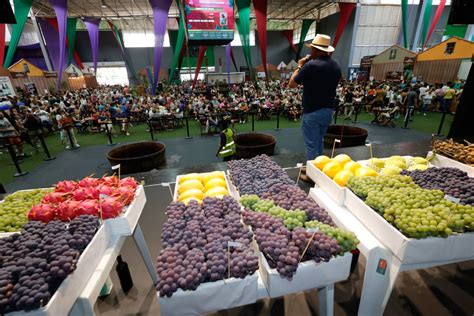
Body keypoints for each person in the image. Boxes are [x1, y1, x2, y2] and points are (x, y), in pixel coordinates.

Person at [289, 33, 341, 162]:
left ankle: (311, 173)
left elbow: (292, 84)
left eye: (312, 48)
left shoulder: (311, 66)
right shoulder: (336, 65)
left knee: (311, 144)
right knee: (319, 141)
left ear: (315, 50)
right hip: (328, 110)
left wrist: (300, 65)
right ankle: (319, 167)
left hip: (312, 111)